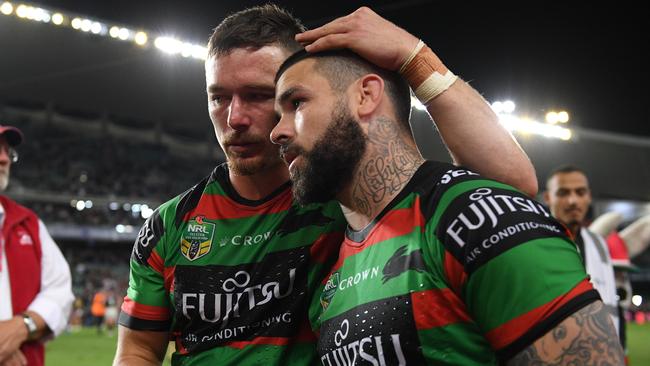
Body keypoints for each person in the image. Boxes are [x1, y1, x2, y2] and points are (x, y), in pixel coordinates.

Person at [114, 5, 539, 365]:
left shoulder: (348, 199)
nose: (235, 117)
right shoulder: (170, 225)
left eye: (258, 95)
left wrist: (415, 60)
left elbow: (508, 186)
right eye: (219, 97)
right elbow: (137, 348)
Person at [270, 13, 624, 364]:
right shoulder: (327, 259)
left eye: (296, 103)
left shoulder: (479, 221)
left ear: (365, 96)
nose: (277, 132)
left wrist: (415, 56)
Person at [0, 124, 74, 366]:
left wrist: (23, 325)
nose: (3, 159)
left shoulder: (28, 223)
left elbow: (60, 291)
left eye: (7, 152)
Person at [543, 166, 620, 337]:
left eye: (580, 192)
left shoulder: (599, 242)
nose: (573, 201)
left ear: (589, 197)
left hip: (604, 349)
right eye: (563, 193)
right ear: (548, 198)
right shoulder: (535, 241)